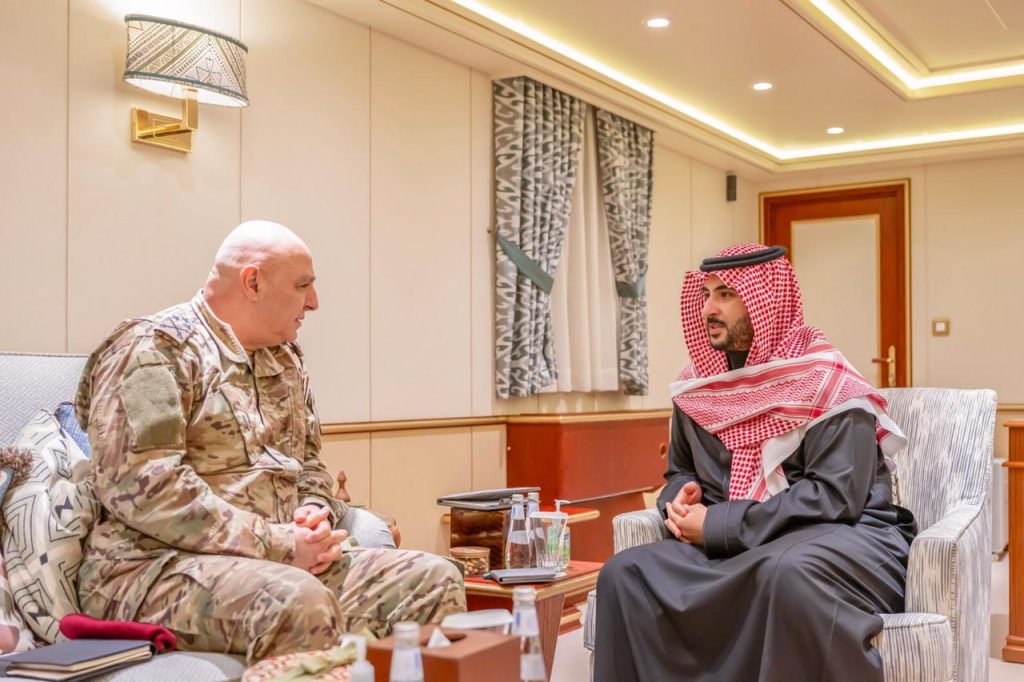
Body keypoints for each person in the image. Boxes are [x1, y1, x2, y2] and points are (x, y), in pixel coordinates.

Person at [75, 220, 465, 662]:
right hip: (149, 570)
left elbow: (308, 463)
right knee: (298, 600)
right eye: (303, 286)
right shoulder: (154, 350)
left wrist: (313, 511)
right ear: (253, 282)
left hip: (270, 562)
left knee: (433, 578)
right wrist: (278, 544)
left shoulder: (284, 359)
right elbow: (145, 489)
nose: (314, 302)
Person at [593, 243, 917, 681]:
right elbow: (680, 471)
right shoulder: (698, 391)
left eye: (726, 294)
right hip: (738, 541)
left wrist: (718, 525)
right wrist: (680, 499)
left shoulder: (827, 382)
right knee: (624, 572)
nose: (709, 309)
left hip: (846, 536)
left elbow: (836, 497)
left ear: (768, 302)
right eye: (706, 294)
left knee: (787, 573)